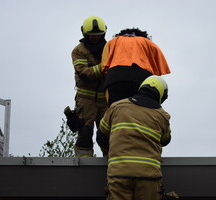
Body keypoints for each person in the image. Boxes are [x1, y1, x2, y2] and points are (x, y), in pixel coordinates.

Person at [97, 75, 171, 200]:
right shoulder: (162, 116)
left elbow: (101, 137)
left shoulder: (116, 107)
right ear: (161, 95)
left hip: (119, 174)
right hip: (149, 177)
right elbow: (165, 140)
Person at [100, 28, 171, 106]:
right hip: (141, 79)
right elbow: (157, 73)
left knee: (115, 109)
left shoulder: (112, 42)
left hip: (115, 78)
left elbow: (103, 66)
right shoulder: (149, 43)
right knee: (138, 110)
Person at [70, 16, 108, 157]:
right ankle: (84, 166)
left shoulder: (109, 48)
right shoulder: (78, 51)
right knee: (85, 134)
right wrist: (104, 67)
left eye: (98, 36)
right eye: (91, 36)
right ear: (85, 34)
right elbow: (84, 73)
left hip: (105, 100)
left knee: (107, 134)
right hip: (85, 100)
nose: (95, 38)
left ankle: (112, 164)